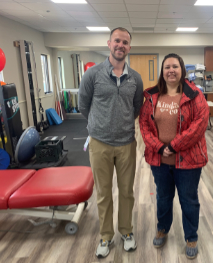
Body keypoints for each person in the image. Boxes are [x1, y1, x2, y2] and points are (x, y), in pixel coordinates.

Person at [78, 27, 143, 258]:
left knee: (126, 192)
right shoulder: (93, 75)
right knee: (103, 193)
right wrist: (100, 125)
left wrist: (120, 124)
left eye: (125, 42)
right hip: (99, 144)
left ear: (129, 47)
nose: (121, 45)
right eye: (117, 41)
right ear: (109, 43)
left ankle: (126, 232)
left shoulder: (135, 78)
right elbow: (83, 106)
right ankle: (106, 236)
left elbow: (137, 108)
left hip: (126, 143)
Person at [139, 53, 209, 260]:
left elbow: (199, 125)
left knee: (188, 199)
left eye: (175, 67)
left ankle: (191, 237)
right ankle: (163, 229)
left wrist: (175, 145)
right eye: (167, 67)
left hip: (189, 160)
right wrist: (160, 147)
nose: (171, 70)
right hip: (159, 160)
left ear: (182, 70)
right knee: (163, 197)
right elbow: (144, 125)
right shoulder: (152, 97)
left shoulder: (195, 95)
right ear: (162, 71)